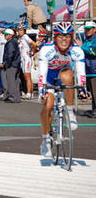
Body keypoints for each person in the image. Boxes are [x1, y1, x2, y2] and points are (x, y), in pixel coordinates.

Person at [38, 22, 88, 156]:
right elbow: (42, 73)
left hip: (63, 74)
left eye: (67, 36)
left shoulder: (76, 50)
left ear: (71, 37)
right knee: (48, 106)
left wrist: (83, 89)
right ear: (55, 38)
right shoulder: (47, 49)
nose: (64, 39)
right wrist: (42, 89)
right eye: (60, 36)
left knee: (68, 75)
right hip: (48, 77)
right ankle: (45, 140)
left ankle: (70, 113)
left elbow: (81, 73)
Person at [75, 21, 96, 118]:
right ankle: (93, 110)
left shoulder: (94, 40)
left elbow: (93, 52)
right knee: (91, 92)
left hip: (94, 70)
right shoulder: (87, 39)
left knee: (95, 92)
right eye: (86, 29)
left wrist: (81, 46)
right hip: (88, 70)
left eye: (89, 29)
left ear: (94, 29)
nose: (87, 31)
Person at [0, 28, 21, 103]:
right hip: (16, 63)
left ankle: (12, 97)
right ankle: (17, 97)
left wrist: (6, 63)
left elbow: (10, 54)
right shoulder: (14, 41)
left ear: (10, 35)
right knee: (15, 81)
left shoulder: (10, 43)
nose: (5, 36)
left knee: (11, 81)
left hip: (11, 64)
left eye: (6, 34)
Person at [17, 25, 37, 100]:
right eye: (19, 30)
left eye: (21, 30)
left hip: (26, 58)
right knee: (26, 76)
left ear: (24, 31)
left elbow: (34, 44)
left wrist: (32, 53)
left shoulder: (25, 36)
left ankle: (29, 93)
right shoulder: (20, 38)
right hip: (22, 58)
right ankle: (30, 92)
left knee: (27, 76)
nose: (20, 31)